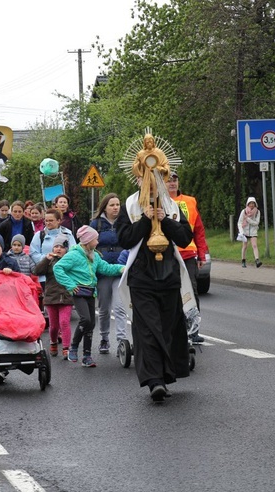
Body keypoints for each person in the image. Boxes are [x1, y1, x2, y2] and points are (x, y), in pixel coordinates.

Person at [115, 132, 194, 402]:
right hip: (142, 276)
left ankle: (166, 375)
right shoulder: (129, 205)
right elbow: (124, 238)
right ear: (138, 177)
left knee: (169, 327)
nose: (150, 182)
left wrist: (165, 220)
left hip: (169, 276)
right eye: (145, 177)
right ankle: (154, 381)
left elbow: (185, 238)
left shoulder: (172, 205)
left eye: (158, 177)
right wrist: (146, 220)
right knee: (147, 328)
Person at [53, 225, 124, 368]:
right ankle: (73, 347)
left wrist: (122, 268)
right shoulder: (73, 255)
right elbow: (57, 268)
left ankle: (87, 356)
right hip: (78, 292)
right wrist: (71, 285)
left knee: (91, 324)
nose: (98, 242)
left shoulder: (95, 255)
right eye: (96, 239)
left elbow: (106, 268)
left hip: (91, 292)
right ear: (87, 241)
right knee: (85, 320)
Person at [165, 172, 208, 342]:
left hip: (188, 253)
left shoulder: (189, 201)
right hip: (167, 253)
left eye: (174, 180)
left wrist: (201, 255)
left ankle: (193, 329)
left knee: (191, 291)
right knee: (170, 291)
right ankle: (174, 327)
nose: (172, 183)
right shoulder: (158, 201)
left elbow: (199, 230)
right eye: (168, 180)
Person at [90, 193, 128, 354]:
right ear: (105, 207)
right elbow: (88, 245)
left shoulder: (125, 223)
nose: (115, 208)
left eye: (118, 204)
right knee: (104, 308)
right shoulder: (96, 224)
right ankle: (104, 338)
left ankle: (121, 341)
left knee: (120, 307)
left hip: (120, 270)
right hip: (103, 271)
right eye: (112, 205)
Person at [34, 234, 74, 359]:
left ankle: (67, 348)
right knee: (54, 326)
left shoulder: (71, 260)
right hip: (51, 297)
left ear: (66, 249)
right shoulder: (50, 261)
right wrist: (46, 259)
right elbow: (37, 271)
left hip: (66, 297)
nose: (58, 249)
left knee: (64, 322)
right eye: (56, 246)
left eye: (61, 247)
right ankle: (53, 342)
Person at [29, 208, 77, 287]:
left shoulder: (67, 234)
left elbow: (73, 252)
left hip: (65, 274)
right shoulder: (39, 235)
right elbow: (33, 253)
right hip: (45, 276)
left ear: (58, 221)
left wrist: (62, 259)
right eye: (46, 220)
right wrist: (47, 259)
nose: (48, 223)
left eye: (51, 220)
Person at [237, 197, 262, 268]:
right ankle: (243, 260)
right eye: (250, 203)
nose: (251, 205)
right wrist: (241, 232)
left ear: (255, 204)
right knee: (244, 246)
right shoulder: (244, 211)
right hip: (245, 231)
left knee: (254, 245)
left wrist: (248, 219)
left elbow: (256, 223)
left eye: (253, 203)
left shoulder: (257, 212)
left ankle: (257, 260)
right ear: (247, 204)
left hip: (253, 231)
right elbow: (239, 222)